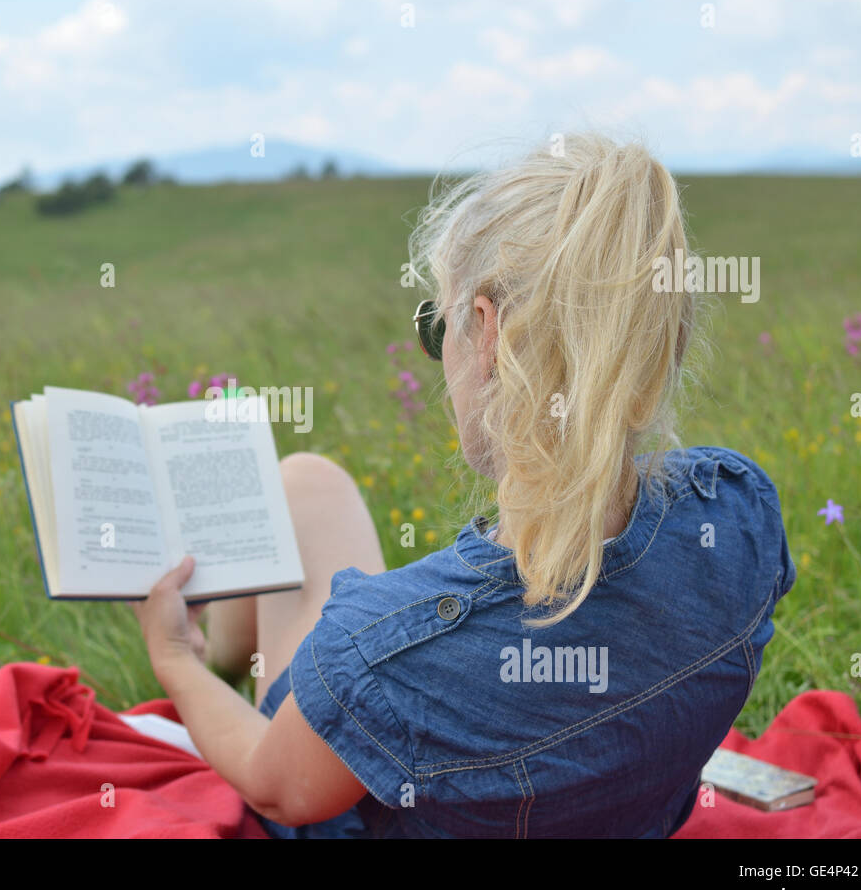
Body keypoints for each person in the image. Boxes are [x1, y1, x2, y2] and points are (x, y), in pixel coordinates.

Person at [130, 133, 797, 837]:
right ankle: (231, 652)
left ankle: (204, 650)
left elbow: (277, 788)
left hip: (330, 783)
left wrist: (174, 662)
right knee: (308, 486)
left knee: (299, 497)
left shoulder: (382, 655)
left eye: (435, 324)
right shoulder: (737, 516)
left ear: (487, 334)